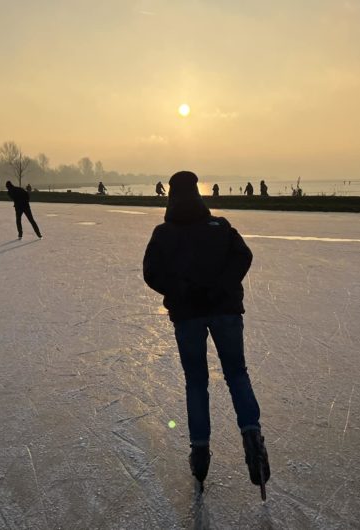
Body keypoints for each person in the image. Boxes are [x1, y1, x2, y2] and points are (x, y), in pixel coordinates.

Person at [143, 170, 270, 498]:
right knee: (236, 374)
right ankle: (252, 435)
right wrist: (222, 287)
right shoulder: (220, 227)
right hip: (225, 312)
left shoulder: (164, 233)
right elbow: (243, 255)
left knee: (197, 382)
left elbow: (151, 272)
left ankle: (200, 452)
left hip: (188, 317)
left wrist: (181, 290)